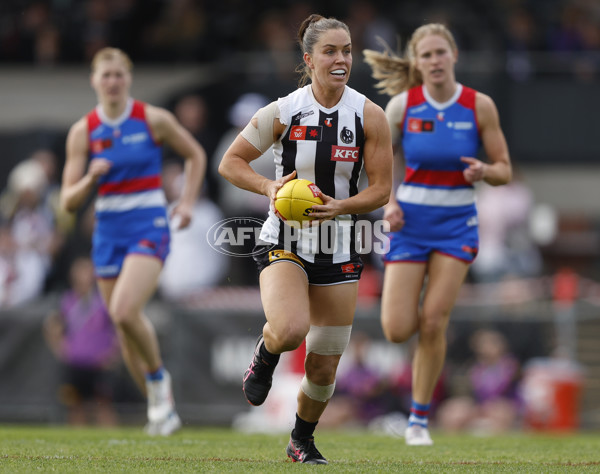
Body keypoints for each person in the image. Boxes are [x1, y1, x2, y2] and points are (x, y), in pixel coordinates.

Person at [219, 14, 392, 464]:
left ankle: (302, 440)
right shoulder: (282, 111)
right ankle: (266, 351)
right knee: (292, 330)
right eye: (331, 51)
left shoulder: (369, 115)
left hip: (341, 244)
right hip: (284, 240)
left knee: (324, 363)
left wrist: (342, 206)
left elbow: (381, 189)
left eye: (347, 50)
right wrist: (269, 188)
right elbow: (231, 162)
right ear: (308, 59)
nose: (341, 59)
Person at [363, 23, 512, 446]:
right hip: (410, 225)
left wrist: (485, 172)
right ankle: (416, 410)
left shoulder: (479, 106)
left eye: (440, 53)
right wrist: (387, 203)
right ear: (416, 62)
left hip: (456, 225)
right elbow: (378, 164)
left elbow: (505, 169)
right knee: (395, 329)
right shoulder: (401, 107)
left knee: (433, 321)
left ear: (454, 55)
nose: (434, 61)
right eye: (426, 55)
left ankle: (418, 419)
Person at [59, 47, 206, 436]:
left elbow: (195, 154)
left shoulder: (152, 119)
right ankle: (161, 410)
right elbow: (67, 201)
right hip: (108, 232)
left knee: (124, 311)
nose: (112, 81)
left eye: (118, 75)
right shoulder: (83, 131)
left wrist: (187, 201)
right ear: (94, 80)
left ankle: (159, 382)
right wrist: (90, 179)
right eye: (105, 75)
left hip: (149, 224)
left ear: (129, 79)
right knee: (124, 330)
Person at [44, 256, 120, 426]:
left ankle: (113, 445)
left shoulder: (102, 301)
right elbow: (53, 326)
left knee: (103, 405)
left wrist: (112, 354)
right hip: (76, 363)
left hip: (98, 364)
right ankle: (76, 448)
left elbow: (118, 329)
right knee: (75, 406)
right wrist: (62, 349)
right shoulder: (67, 300)